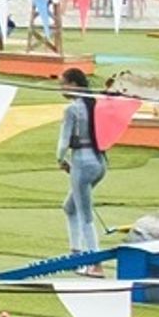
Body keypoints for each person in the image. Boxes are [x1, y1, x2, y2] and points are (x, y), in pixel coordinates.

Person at [52, 64, 107, 256]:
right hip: (100, 162)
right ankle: (75, 251)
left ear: (74, 84)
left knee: (85, 215)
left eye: (63, 85)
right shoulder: (94, 104)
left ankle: (94, 260)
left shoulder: (72, 109)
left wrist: (60, 159)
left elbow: (63, 141)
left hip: (82, 163)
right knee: (69, 207)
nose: (61, 89)